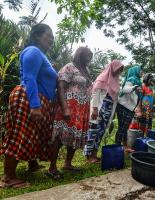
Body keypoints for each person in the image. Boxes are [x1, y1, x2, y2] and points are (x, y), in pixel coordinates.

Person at [0, 24, 56, 188]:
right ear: (37, 36)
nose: (52, 38)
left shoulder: (40, 54)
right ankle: (7, 178)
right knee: (20, 135)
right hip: (29, 98)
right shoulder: (33, 51)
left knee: (34, 134)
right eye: (49, 34)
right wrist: (35, 106)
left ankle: (32, 164)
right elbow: (30, 79)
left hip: (35, 99)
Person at [48, 47, 93, 179]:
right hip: (69, 105)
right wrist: (65, 107)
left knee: (74, 135)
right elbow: (60, 87)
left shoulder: (86, 71)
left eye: (91, 57)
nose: (89, 59)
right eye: (87, 56)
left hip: (81, 108)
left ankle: (67, 163)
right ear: (80, 55)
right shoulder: (69, 67)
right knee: (59, 135)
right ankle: (52, 167)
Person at [84, 60, 124, 163]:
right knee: (93, 132)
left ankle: (94, 154)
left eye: (120, 70)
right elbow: (95, 94)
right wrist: (95, 109)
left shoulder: (116, 82)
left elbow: (115, 100)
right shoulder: (102, 78)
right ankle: (88, 156)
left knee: (100, 133)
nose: (118, 72)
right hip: (99, 110)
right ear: (112, 68)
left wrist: (113, 113)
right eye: (118, 69)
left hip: (108, 112)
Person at [115, 65, 143, 152]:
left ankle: (124, 146)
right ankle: (117, 147)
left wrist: (137, 108)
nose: (142, 72)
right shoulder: (132, 79)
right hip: (123, 106)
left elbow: (137, 97)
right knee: (122, 128)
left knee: (124, 128)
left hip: (129, 108)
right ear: (136, 71)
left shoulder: (138, 81)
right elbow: (124, 90)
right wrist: (134, 87)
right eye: (140, 70)